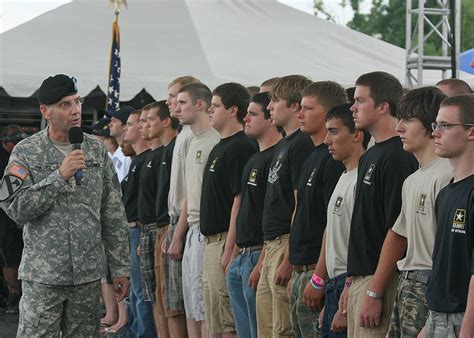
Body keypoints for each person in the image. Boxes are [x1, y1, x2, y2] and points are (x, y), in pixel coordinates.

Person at [0, 74, 130, 336]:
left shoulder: (94, 149)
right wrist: (58, 177)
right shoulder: (26, 151)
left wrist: (120, 267)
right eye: (65, 105)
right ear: (45, 111)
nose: (75, 111)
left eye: (77, 102)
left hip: (87, 276)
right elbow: (15, 208)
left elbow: (112, 212)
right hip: (43, 276)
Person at [369, 87, 450, 338]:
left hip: (432, 284)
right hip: (407, 283)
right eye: (399, 119)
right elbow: (398, 233)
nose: (399, 128)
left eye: (408, 120)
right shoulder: (412, 179)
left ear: (432, 125)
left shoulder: (448, 174)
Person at [345, 71, 418, 337]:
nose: (352, 107)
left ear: (383, 107)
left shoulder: (399, 156)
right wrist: (350, 282)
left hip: (381, 281)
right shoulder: (371, 154)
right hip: (361, 278)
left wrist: (375, 290)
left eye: (360, 100)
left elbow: (397, 230)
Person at [257, 75, 314, 338]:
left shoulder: (301, 144)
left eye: (275, 100)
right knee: (268, 328)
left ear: (294, 106)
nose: (269, 107)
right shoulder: (284, 144)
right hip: (272, 245)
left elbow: (299, 204)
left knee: (283, 329)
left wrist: (289, 258)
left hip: (285, 243)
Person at [289, 81, 347, 337]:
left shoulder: (332, 160)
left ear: (328, 113)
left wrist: (319, 277)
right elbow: (300, 210)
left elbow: (330, 223)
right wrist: (292, 264)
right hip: (301, 267)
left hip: (317, 268)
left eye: (308, 108)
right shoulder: (313, 154)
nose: (299, 114)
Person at [200, 82, 257, 337]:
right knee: (215, 319)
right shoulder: (219, 145)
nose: (209, 111)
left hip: (225, 239)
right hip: (210, 241)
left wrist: (230, 247)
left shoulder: (240, 146)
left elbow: (240, 199)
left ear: (233, 110)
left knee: (228, 321)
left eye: (215, 106)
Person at [309, 103, 370, 337]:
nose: (326, 140)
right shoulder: (344, 175)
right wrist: (321, 280)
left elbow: (360, 241)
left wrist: (345, 301)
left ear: (357, 135)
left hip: (349, 281)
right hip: (335, 283)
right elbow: (332, 231)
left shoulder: (361, 181)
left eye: (334, 131)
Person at [226, 92, 282, 338]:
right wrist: (233, 253)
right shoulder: (252, 159)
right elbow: (242, 208)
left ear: (271, 119)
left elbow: (275, 216)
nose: (245, 118)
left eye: (252, 114)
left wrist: (261, 261)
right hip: (242, 257)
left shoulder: (277, 158)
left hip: (260, 254)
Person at [419, 95, 474, 337]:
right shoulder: (445, 193)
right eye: (435, 125)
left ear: (471, 132)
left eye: (445, 125)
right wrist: (428, 324)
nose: (435, 133)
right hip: (437, 317)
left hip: (462, 319)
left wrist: (466, 331)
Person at [176, 82, 220, 338]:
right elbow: (189, 195)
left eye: (183, 103)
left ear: (200, 105)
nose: (177, 108)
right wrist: (179, 234)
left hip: (208, 231)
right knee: (192, 304)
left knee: (205, 307)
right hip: (192, 230)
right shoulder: (192, 141)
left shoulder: (215, 140)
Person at [163, 76, 201, 338]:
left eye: (178, 98)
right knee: (174, 300)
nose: (171, 103)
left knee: (185, 303)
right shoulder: (183, 134)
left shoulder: (193, 136)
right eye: (171, 98)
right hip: (175, 218)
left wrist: (178, 235)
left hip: (186, 222)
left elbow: (191, 190)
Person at [120, 110, 156, 337]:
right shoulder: (137, 161)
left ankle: (141, 333)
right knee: (134, 289)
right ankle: (133, 330)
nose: (127, 128)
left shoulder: (146, 160)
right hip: (131, 229)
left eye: (134, 123)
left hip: (139, 229)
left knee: (141, 289)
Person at [151, 101, 179, 338]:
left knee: (173, 303)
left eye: (150, 119)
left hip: (169, 226)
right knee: (159, 297)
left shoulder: (175, 147)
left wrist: (173, 232)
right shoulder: (164, 150)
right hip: (160, 227)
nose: (146, 125)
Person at [137, 101, 165, 334]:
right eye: (142, 121)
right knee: (151, 294)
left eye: (148, 120)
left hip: (159, 228)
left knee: (161, 296)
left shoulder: (163, 154)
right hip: (147, 229)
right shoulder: (149, 156)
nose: (142, 126)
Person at [0, 125, 27, 315]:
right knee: (8, 257)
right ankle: (12, 293)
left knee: (21, 254)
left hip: (23, 210)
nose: (17, 145)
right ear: (5, 142)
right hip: (4, 214)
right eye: (14, 142)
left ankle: (19, 293)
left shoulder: (23, 155)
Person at [108, 105, 133, 182]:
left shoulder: (130, 153)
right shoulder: (119, 150)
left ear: (125, 125)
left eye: (114, 121)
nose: (110, 124)